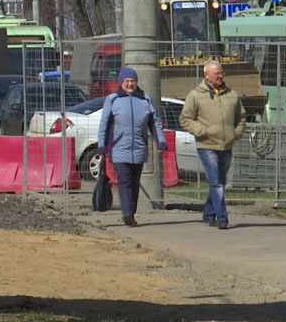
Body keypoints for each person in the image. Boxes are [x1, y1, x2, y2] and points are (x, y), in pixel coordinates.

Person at [97, 67, 168, 226]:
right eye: (126, 81)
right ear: (121, 82)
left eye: (132, 81)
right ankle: (127, 213)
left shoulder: (145, 99)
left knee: (135, 182)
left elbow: (154, 122)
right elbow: (104, 125)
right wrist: (102, 145)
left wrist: (161, 142)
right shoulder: (113, 99)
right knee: (125, 180)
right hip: (119, 149)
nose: (130, 84)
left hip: (139, 148)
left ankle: (131, 212)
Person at [179, 60, 245, 230]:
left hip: (226, 145)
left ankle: (208, 213)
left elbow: (241, 117)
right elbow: (185, 119)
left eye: (221, 72)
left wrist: (235, 133)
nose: (220, 76)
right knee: (216, 182)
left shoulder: (232, 95)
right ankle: (222, 217)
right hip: (207, 145)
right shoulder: (195, 95)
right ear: (206, 75)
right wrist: (202, 131)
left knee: (220, 181)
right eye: (217, 73)